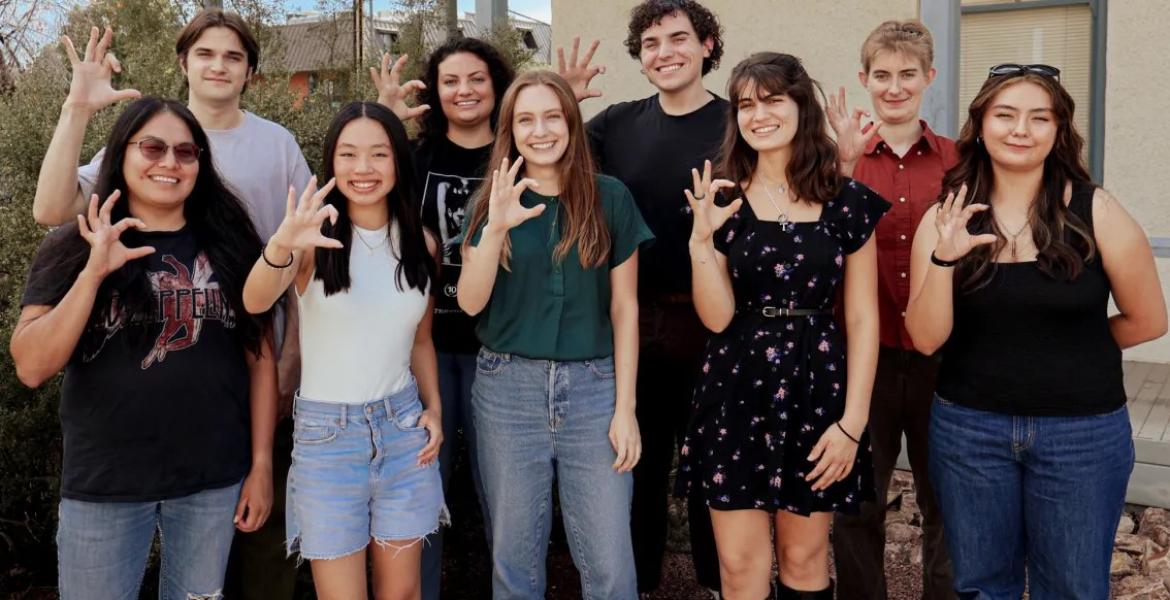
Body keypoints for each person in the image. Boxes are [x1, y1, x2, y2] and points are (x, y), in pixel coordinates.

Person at [31, 14, 312, 598]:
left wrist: (294, 356)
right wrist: (76, 109)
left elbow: (294, 273)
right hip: (108, 473)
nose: (169, 162)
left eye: (186, 153)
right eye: (153, 149)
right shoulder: (92, 236)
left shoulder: (265, 166)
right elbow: (52, 211)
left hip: (223, 433)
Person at [905, 63, 1167, 599]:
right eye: (1005, 115)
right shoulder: (946, 219)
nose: (1020, 129)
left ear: (1058, 131)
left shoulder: (1099, 212)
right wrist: (943, 259)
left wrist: (1066, 350)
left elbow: (1149, 320)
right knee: (981, 586)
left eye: (1038, 117)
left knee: (1072, 588)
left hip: (1083, 436)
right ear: (980, 125)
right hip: (970, 432)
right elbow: (927, 338)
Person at [678, 52, 888, 600]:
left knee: (804, 557)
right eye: (746, 104)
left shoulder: (846, 202)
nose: (758, 114)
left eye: (772, 100)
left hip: (816, 391)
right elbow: (717, 316)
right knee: (740, 565)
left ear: (801, 106)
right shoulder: (720, 199)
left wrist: (853, 423)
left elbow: (864, 318)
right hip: (734, 389)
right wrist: (701, 242)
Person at [457, 70, 653, 600]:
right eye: (525, 119)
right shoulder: (491, 201)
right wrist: (496, 225)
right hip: (507, 390)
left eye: (551, 116)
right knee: (514, 562)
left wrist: (625, 407)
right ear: (510, 130)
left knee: (611, 564)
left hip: (595, 388)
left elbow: (624, 307)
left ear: (571, 121)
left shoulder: (610, 199)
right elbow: (470, 301)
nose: (540, 130)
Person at [241, 101, 446, 600]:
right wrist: (282, 245)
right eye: (349, 154)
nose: (364, 168)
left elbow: (420, 340)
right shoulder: (313, 239)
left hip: (402, 432)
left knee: (402, 594)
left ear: (399, 161)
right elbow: (255, 299)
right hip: (328, 440)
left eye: (378, 154)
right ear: (331, 162)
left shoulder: (422, 243)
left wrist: (435, 408)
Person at [556, 0, 726, 592]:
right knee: (638, 464)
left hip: (714, 321)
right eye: (651, 43)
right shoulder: (616, 125)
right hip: (631, 317)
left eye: (679, 38)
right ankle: (641, 583)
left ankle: (718, 582)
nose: (665, 52)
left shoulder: (737, 125)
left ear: (707, 46)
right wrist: (568, 105)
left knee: (712, 465)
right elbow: (554, 162)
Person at [371, 37, 515, 600]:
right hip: (422, 348)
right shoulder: (414, 160)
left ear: (496, 84)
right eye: (450, 81)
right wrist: (385, 118)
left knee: (502, 493)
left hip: (500, 350)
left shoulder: (518, 153)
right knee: (420, 485)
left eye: (476, 78)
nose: (464, 91)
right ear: (434, 92)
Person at [826, 20, 957, 600]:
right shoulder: (837, 163)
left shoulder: (961, 163)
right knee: (857, 504)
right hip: (862, 360)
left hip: (945, 362)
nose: (895, 87)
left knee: (948, 505)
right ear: (864, 80)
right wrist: (840, 172)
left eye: (908, 75)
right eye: (883, 75)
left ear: (929, 77)